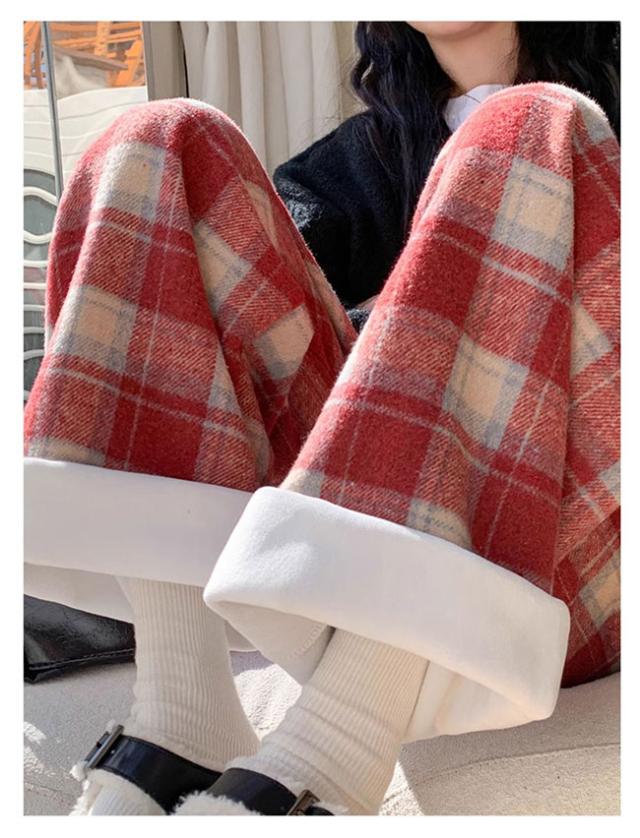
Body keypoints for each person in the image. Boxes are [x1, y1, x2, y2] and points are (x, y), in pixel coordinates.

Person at [24, 21, 620, 816]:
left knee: (533, 122)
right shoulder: (357, 160)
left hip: (568, 552)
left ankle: (334, 752)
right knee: (161, 137)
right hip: (315, 548)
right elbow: (237, 309)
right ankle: (180, 713)